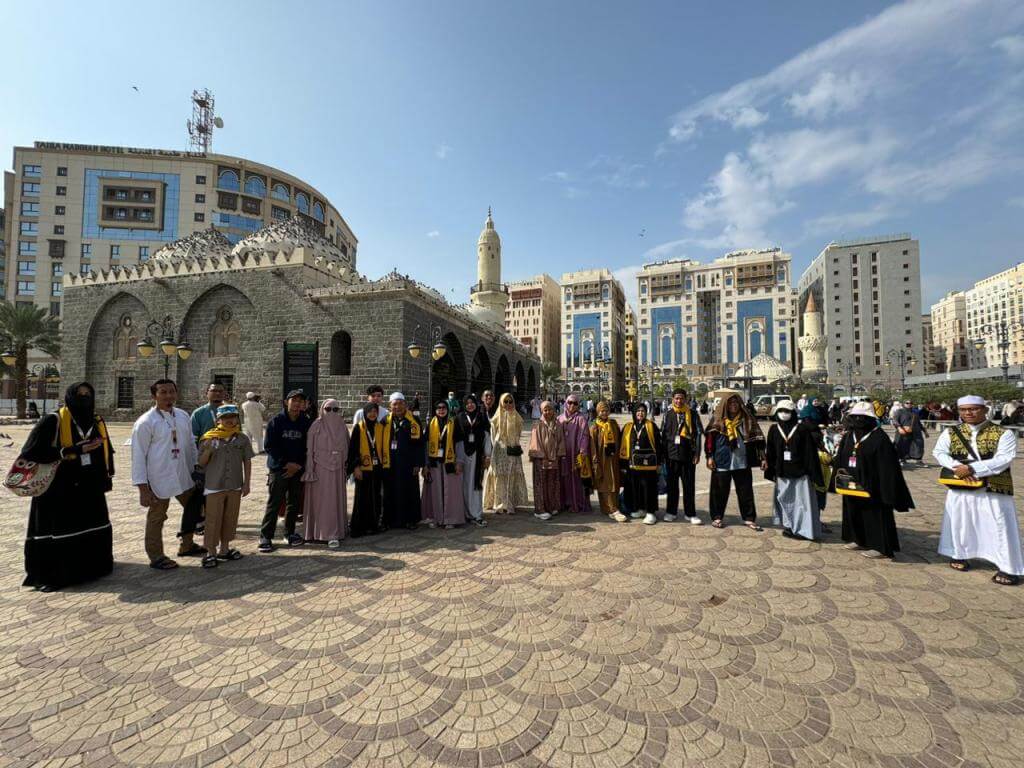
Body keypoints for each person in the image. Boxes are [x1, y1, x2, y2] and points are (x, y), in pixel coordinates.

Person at [19, 382, 114, 591]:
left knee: (89, 525)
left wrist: (106, 477)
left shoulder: (96, 421)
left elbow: (108, 451)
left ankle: (92, 568)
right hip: (59, 489)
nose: (84, 398)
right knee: (61, 528)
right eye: (80, 395)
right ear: (70, 396)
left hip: (89, 487)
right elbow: (30, 452)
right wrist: (69, 451)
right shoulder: (53, 421)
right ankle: (54, 574)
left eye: (88, 394)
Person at [933, 395, 1023, 586]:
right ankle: (960, 554)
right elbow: (939, 452)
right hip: (960, 486)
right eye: (964, 410)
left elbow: (1004, 458)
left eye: (973, 409)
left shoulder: (1002, 433)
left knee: (999, 525)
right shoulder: (951, 432)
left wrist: (973, 469)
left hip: (993, 487)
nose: (968, 413)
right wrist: (958, 467)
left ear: (984, 410)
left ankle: (1008, 567)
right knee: (960, 521)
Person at [132, 379, 203, 570]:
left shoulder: (182, 416)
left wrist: (196, 466)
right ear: (154, 395)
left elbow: (190, 443)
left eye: (172, 392)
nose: (168, 396)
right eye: (163, 392)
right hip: (158, 478)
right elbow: (138, 456)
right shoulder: (146, 422)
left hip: (183, 474)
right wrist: (143, 489)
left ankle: (187, 545)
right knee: (157, 517)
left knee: (193, 510)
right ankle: (156, 556)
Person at [833, 401, 913, 559]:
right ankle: (858, 539)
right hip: (850, 483)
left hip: (873, 485)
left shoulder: (879, 437)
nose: (858, 420)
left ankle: (880, 547)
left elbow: (888, 466)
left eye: (862, 417)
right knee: (852, 511)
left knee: (875, 514)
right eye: (855, 417)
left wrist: (886, 488)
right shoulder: (849, 435)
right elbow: (841, 457)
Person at [196, 404, 252, 567]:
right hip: (214, 485)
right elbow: (201, 463)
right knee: (213, 519)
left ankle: (224, 549)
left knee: (230, 518)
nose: (229, 421)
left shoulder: (242, 438)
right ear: (218, 420)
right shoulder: (209, 438)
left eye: (232, 417)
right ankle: (211, 551)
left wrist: (247, 483)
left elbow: (247, 461)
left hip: (234, 484)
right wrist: (208, 450)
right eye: (225, 418)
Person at [258, 389, 313, 552]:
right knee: (274, 503)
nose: (297, 404)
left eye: (300, 401)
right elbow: (270, 446)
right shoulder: (276, 421)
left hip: (297, 470)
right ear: (286, 402)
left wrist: (299, 466)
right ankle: (266, 536)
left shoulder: (306, 422)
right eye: (294, 400)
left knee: (293, 503)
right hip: (279, 470)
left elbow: (309, 447)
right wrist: (286, 464)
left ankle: (289, 533)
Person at [704, 392, 766, 531]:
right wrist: (709, 457)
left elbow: (758, 438)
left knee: (745, 491)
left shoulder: (747, 418)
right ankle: (717, 517)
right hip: (722, 460)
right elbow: (709, 441)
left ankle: (749, 518)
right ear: (725, 405)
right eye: (730, 403)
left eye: (736, 402)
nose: (733, 405)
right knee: (718, 491)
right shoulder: (718, 420)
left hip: (741, 460)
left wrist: (763, 457)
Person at [764, 400, 824, 541]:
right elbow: (771, 452)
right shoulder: (774, 429)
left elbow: (810, 453)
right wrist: (770, 471)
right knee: (785, 501)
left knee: (802, 504)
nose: (784, 414)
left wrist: (813, 474)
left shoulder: (802, 429)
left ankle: (804, 531)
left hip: (800, 474)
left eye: (787, 411)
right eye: (781, 411)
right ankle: (790, 526)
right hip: (782, 473)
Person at [301, 398, 349, 549]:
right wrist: (309, 469)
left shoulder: (342, 426)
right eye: (328, 409)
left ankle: (335, 533)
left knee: (334, 501)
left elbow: (348, 446)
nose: (332, 412)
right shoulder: (316, 426)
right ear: (322, 410)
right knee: (322, 502)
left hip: (338, 470)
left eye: (335, 409)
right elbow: (309, 450)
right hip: (319, 470)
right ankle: (319, 533)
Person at [382, 392, 424, 530]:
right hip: (390, 463)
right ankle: (391, 520)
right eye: (395, 404)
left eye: (400, 403)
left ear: (405, 404)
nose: (398, 407)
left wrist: (418, 463)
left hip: (408, 463)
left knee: (409, 491)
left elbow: (419, 444)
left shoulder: (414, 420)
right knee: (390, 491)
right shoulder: (385, 421)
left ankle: (410, 520)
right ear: (390, 406)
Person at [661, 388, 704, 524]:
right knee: (672, 486)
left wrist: (697, 453)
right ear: (673, 399)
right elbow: (663, 435)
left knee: (688, 486)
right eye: (676, 398)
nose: (679, 401)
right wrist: (663, 455)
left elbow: (697, 434)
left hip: (688, 455)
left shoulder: (692, 414)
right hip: (671, 455)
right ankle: (671, 512)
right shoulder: (667, 414)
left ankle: (690, 513)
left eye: (681, 398)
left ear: (686, 399)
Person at [421, 401, 466, 529]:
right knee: (435, 492)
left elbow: (459, 443)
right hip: (435, 462)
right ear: (435, 410)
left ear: (447, 409)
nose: (441, 410)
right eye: (438, 408)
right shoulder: (431, 423)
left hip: (449, 462)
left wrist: (460, 462)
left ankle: (450, 519)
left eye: (443, 408)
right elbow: (426, 444)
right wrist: (425, 464)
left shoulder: (454, 422)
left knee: (451, 492)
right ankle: (436, 518)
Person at [483, 392, 529, 514]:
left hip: (513, 450)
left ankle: (509, 503)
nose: (508, 404)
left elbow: (519, 433)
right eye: (506, 402)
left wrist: (512, 443)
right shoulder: (496, 418)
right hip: (500, 450)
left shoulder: (517, 417)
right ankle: (499, 503)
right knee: (499, 476)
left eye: (510, 401)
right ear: (501, 403)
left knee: (511, 475)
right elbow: (493, 436)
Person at [346, 401, 385, 537]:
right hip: (363, 468)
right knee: (362, 498)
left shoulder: (380, 427)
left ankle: (373, 525)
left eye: (375, 411)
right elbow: (353, 450)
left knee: (375, 497)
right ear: (365, 413)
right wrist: (355, 467)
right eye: (370, 411)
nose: (372, 414)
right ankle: (359, 527)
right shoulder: (359, 428)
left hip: (377, 468)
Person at [620, 403, 662, 525]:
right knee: (635, 487)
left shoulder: (651, 426)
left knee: (649, 487)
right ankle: (639, 508)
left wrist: (659, 462)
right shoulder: (628, 427)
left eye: (643, 410)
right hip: (633, 465)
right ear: (634, 412)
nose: (640, 413)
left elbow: (658, 445)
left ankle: (650, 512)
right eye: (638, 411)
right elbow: (623, 446)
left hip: (648, 464)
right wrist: (623, 464)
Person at [590, 400, 626, 522]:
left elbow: (620, 441)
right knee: (605, 484)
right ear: (598, 412)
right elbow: (593, 448)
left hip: (614, 460)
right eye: (602, 410)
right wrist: (595, 463)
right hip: (602, 461)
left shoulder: (613, 424)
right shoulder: (594, 427)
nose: (604, 413)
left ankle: (610, 507)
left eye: (606, 410)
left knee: (614, 483)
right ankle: (611, 509)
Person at [457, 394, 490, 527]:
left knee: (476, 485)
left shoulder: (482, 417)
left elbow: (487, 436)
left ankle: (476, 514)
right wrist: (458, 460)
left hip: (477, 455)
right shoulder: (459, 418)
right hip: (463, 455)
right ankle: (465, 513)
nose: (470, 405)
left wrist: (487, 455)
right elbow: (457, 440)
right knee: (464, 485)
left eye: (472, 402)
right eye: (467, 403)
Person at [529, 400, 565, 520]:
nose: (548, 412)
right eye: (545, 410)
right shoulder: (537, 425)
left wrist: (558, 455)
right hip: (541, 460)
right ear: (541, 411)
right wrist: (542, 457)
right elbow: (536, 443)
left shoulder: (557, 424)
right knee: (541, 484)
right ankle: (540, 509)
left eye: (550, 409)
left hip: (554, 459)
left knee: (552, 483)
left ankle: (551, 506)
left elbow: (561, 441)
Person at [558, 394, 591, 514]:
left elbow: (585, 436)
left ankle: (576, 502)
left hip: (575, 455)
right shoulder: (560, 418)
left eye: (575, 403)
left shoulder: (581, 419)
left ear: (579, 405)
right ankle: (564, 502)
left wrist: (582, 452)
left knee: (576, 478)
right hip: (562, 455)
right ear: (566, 403)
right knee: (563, 478)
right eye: (570, 402)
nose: (572, 405)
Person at [893, 401, 926, 465]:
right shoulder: (900, 411)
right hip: (903, 431)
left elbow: (918, 422)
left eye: (911, 403)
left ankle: (918, 460)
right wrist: (899, 428)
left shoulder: (915, 412)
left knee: (919, 445)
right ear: (903, 404)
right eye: (907, 403)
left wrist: (924, 431)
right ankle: (902, 459)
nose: (909, 404)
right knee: (902, 445)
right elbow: (895, 420)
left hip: (915, 432)